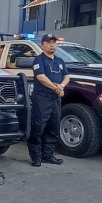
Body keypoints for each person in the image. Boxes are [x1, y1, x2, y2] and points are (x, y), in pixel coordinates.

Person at [27, 33, 70, 167]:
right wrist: (55, 88)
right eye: (49, 42)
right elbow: (41, 77)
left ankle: (48, 156)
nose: (52, 44)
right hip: (42, 98)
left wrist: (61, 86)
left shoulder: (60, 61)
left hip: (55, 99)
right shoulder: (39, 60)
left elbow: (67, 76)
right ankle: (36, 157)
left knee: (53, 127)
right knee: (38, 127)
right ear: (43, 45)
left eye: (54, 42)